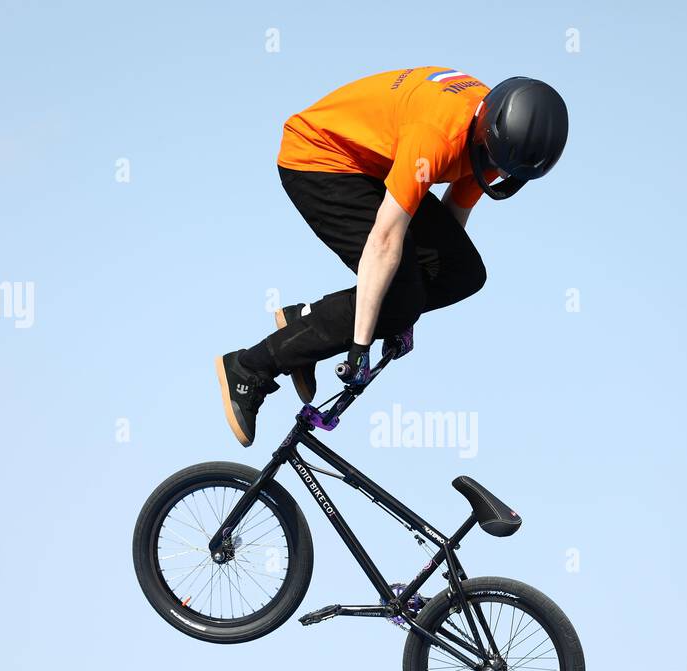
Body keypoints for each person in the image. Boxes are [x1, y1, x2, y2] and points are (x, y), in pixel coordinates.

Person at [214, 67, 569, 447]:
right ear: (486, 127)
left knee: (462, 273)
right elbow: (384, 239)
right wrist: (361, 348)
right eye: (497, 163)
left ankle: (307, 323)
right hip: (321, 158)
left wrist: (409, 309)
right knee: (400, 297)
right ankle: (250, 366)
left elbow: (451, 226)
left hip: (378, 162)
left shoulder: (495, 140)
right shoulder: (439, 137)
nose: (496, 171)